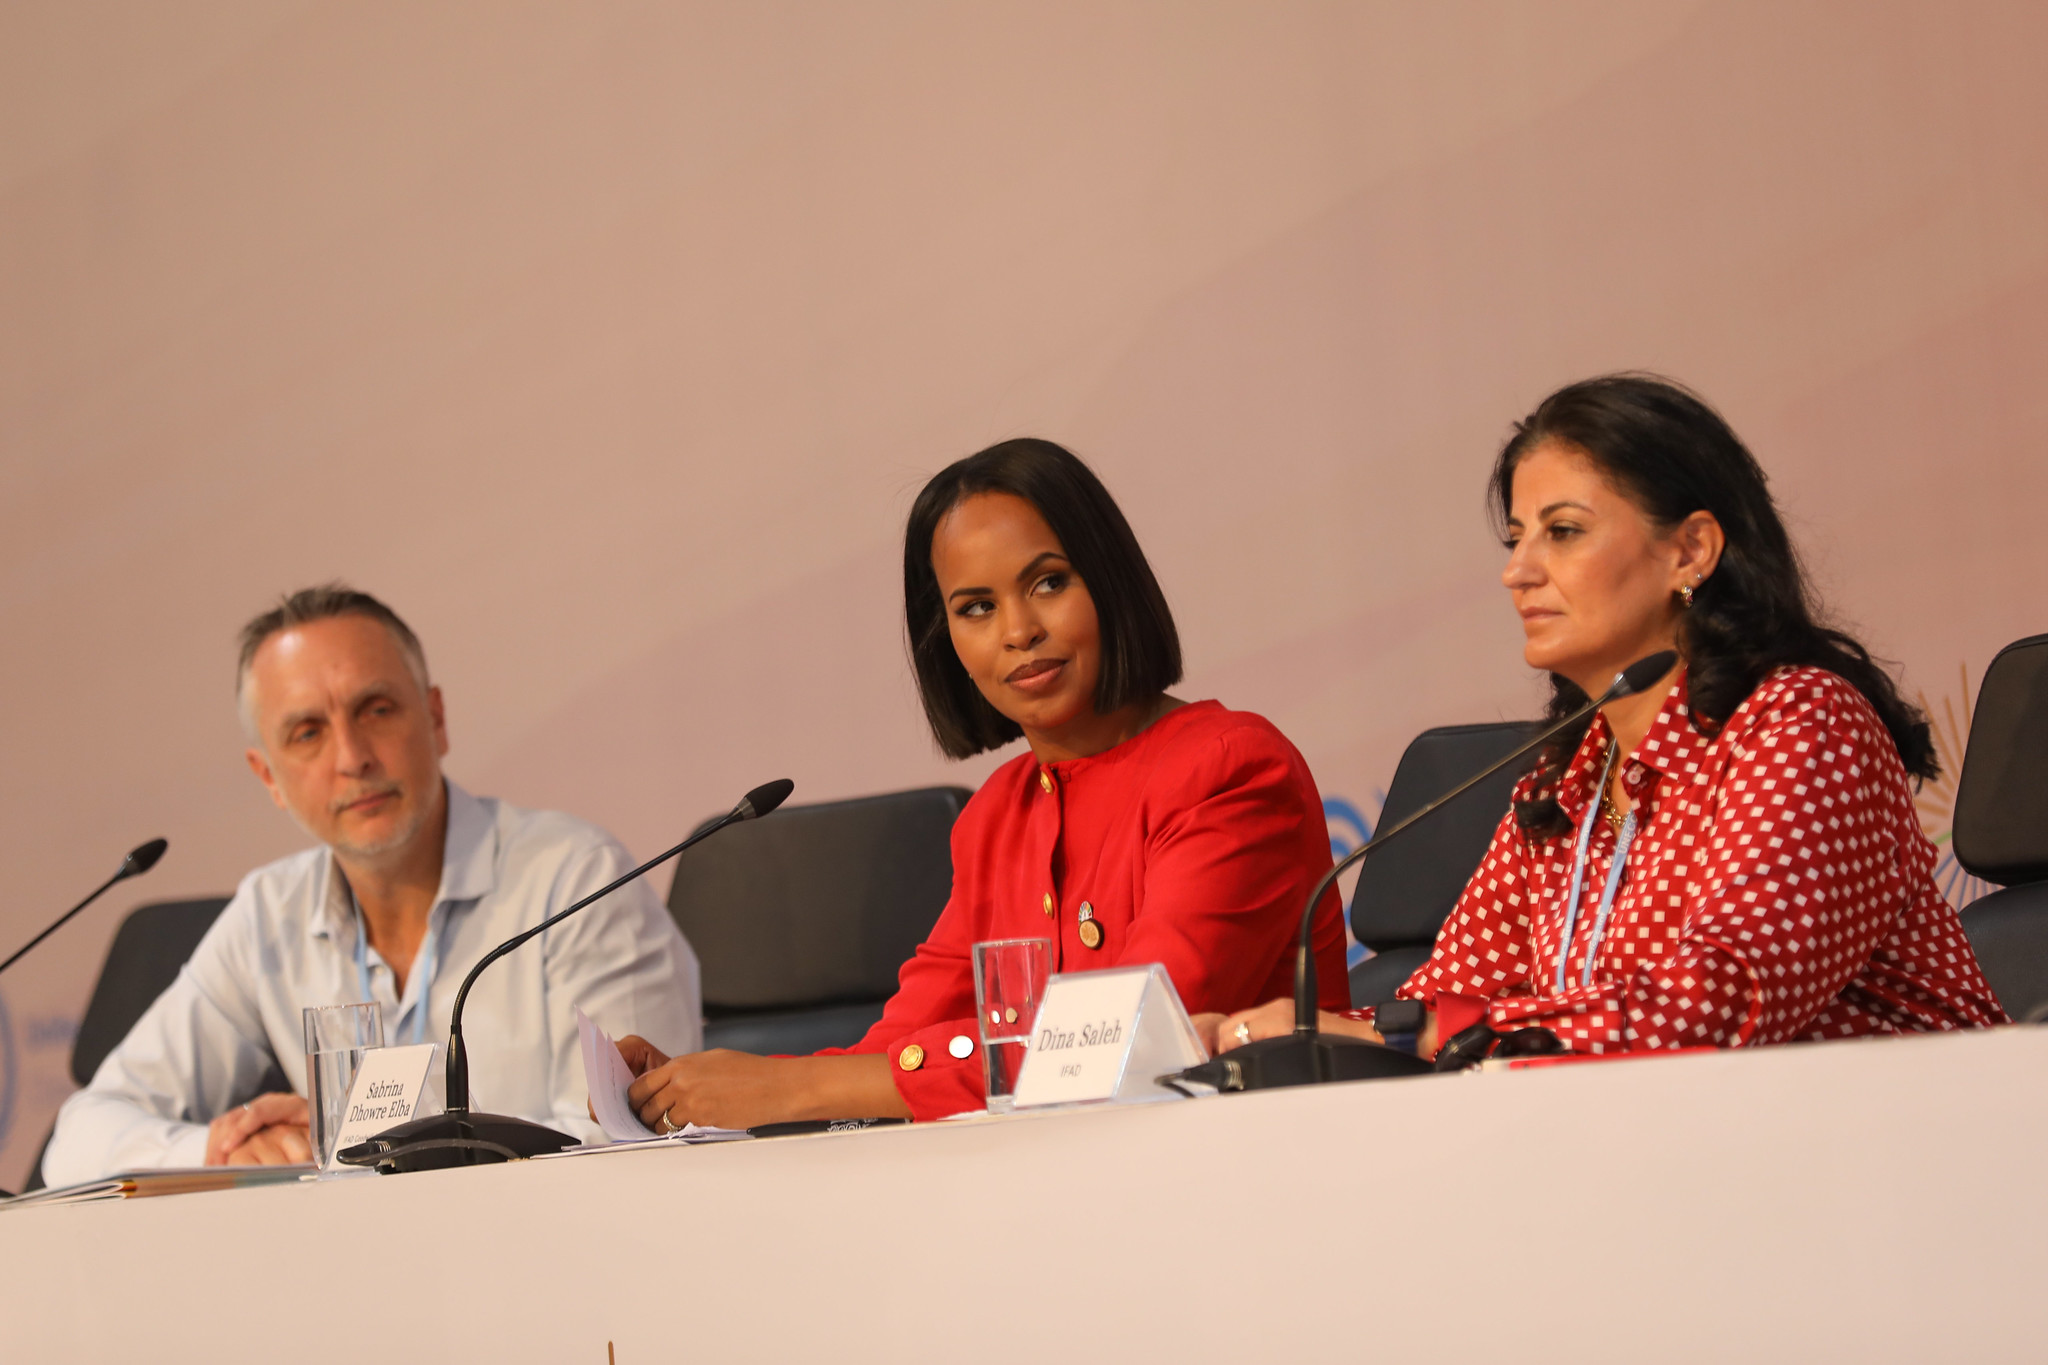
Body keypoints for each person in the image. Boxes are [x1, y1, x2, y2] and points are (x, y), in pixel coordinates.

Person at [1214, 374, 2006, 1061]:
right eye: (1517, 537)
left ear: (1690, 550)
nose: (1516, 572)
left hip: (1905, 1162)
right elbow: (1443, 1000)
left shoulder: (1800, 726)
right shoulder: (1568, 780)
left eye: (1562, 532)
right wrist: (1289, 1035)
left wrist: (1406, 1032)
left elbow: (1714, 1007)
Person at [613, 438, 1348, 1128]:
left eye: (1048, 583)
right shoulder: (998, 813)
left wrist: (791, 1088)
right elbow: (901, 1042)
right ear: (948, 640)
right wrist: (702, 1086)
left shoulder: (1231, 768)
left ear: (1112, 584)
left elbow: (1123, 1047)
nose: (1018, 629)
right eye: (976, 607)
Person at [42, 585, 701, 1184]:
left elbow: (636, 1130)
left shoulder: (574, 877)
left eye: (376, 709)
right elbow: (80, 1137)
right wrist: (222, 1148)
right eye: (307, 733)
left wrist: (408, 1150)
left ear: (436, 718)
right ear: (268, 775)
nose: (352, 756)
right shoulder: (269, 914)